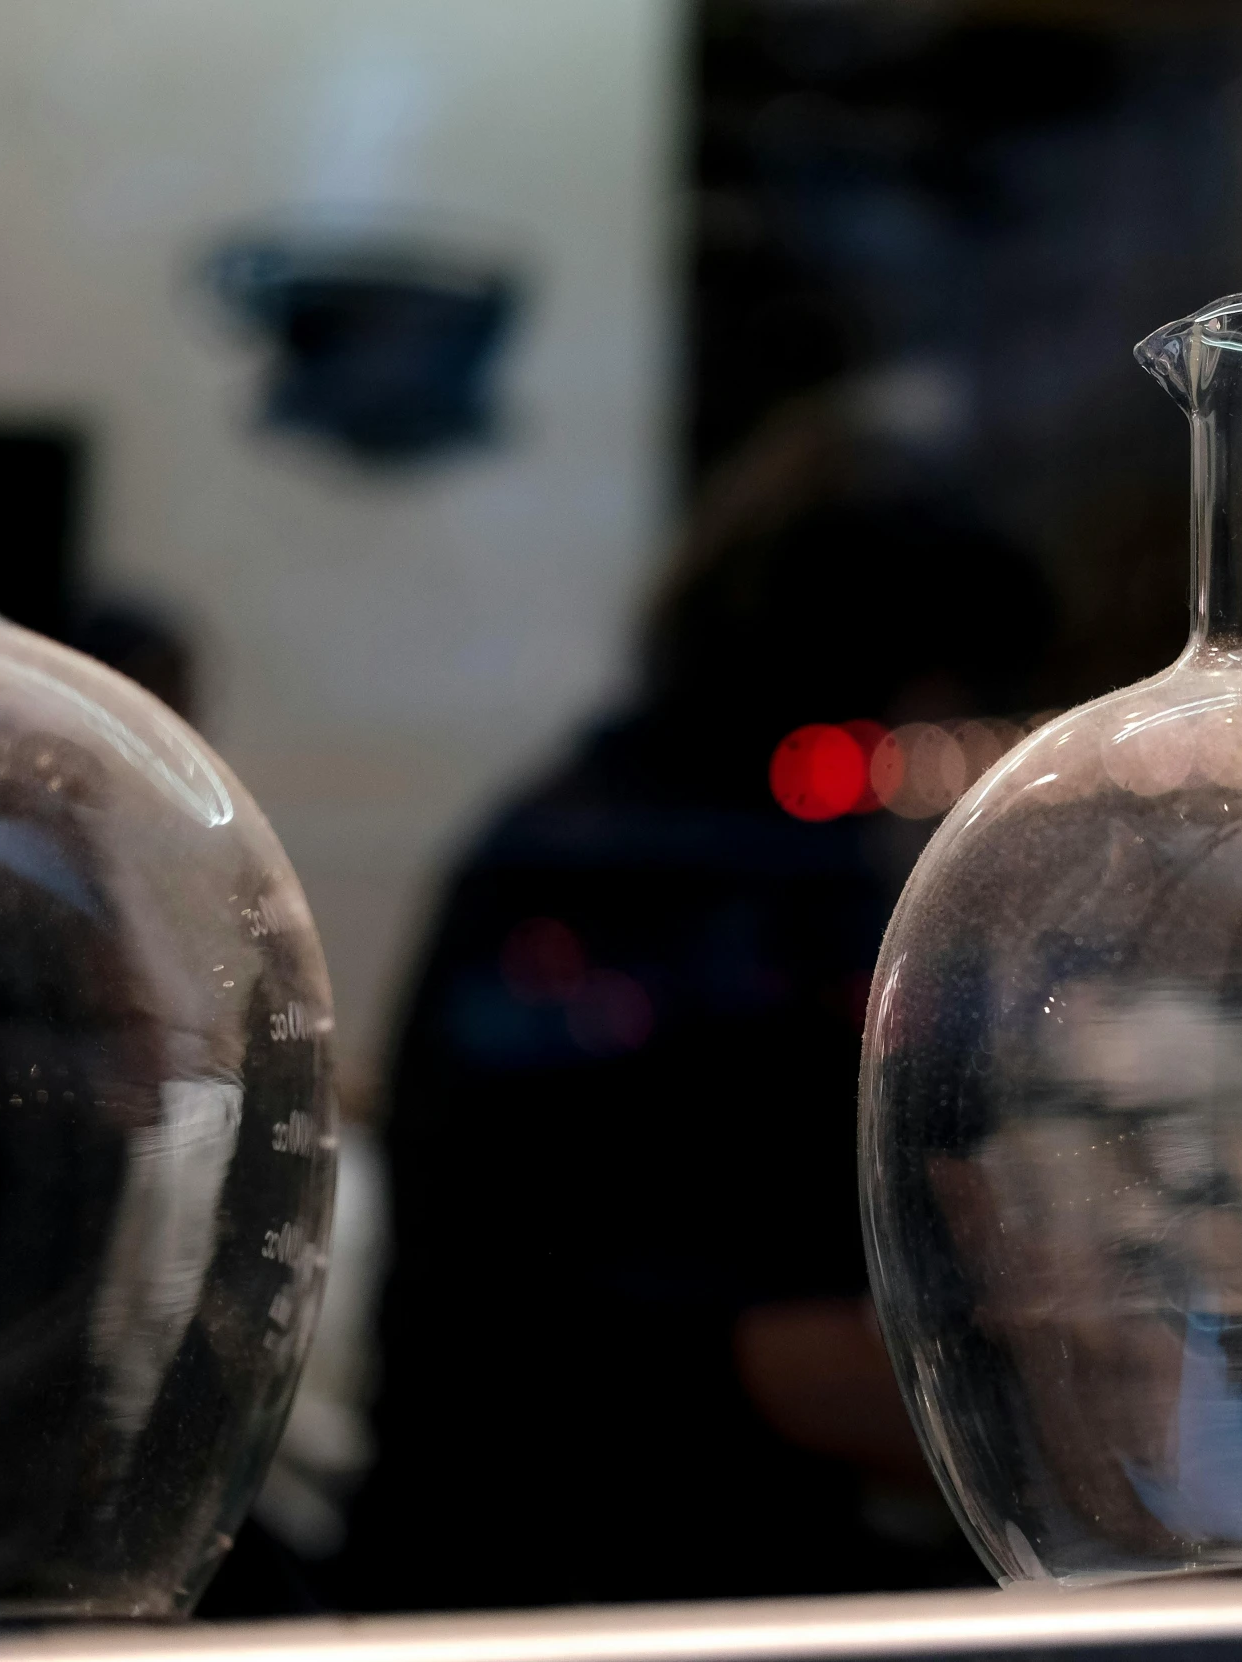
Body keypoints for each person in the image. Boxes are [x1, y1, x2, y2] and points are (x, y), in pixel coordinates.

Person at [337, 386, 1052, 1608]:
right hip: (566, 1579)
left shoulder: (628, 837)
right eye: (934, 709)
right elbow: (728, 1352)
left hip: (597, 1548)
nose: (937, 763)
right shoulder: (668, 880)